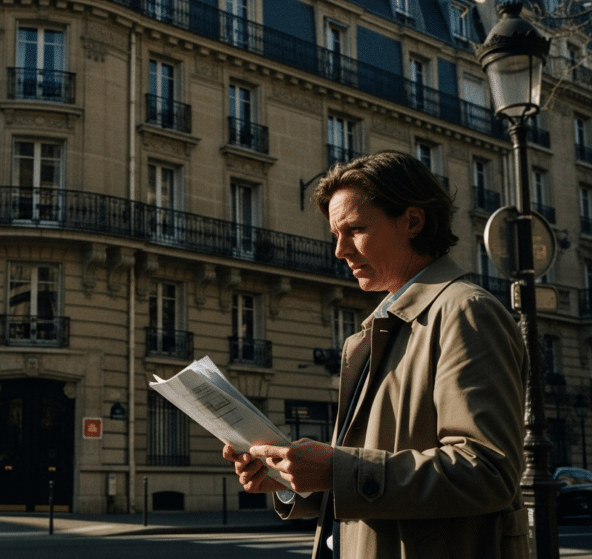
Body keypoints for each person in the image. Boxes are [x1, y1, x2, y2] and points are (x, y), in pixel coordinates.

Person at [223, 150, 529, 558]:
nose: (340, 250)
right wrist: (291, 479)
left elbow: (487, 473)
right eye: (336, 235)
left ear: (413, 221)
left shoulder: (466, 312)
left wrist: (337, 468)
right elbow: (375, 475)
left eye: (355, 229)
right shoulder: (373, 331)